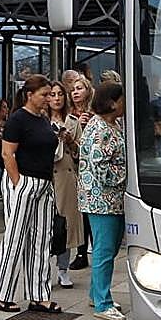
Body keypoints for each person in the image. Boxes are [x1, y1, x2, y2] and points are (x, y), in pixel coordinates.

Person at [0, 75, 64, 313]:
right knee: (15, 237)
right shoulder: (18, 119)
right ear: (29, 95)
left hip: (44, 184)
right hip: (24, 181)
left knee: (41, 240)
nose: (48, 99)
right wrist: (17, 182)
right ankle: (2, 294)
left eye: (50, 94)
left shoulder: (42, 119)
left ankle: (39, 295)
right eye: (44, 94)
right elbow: (7, 154)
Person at [78, 81, 128, 320]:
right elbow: (100, 169)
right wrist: (125, 175)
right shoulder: (100, 129)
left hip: (112, 200)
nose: (124, 104)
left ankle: (96, 293)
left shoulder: (113, 124)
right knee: (104, 250)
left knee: (109, 248)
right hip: (101, 200)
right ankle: (102, 303)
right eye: (121, 99)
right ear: (111, 102)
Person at [47, 80, 84, 288]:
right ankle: (43, 266)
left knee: (66, 224)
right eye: (52, 94)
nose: (57, 98)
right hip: (46, 175)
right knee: (47, 223)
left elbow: (81, 154)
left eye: (60, 94)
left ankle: (63, 269)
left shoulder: (72, 121)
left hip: (67, 177)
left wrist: (69, 140)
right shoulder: (41, 121)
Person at [67, 75, 95, 270]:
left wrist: (87, 124)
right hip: (72, 166)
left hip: (89, 167)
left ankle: (94, 248)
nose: (75, 92)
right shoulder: (68, 114)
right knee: (78, 212)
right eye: (73, 89)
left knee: (88, 211)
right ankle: (80, 251)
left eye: (79, 88)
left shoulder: (94, 113)